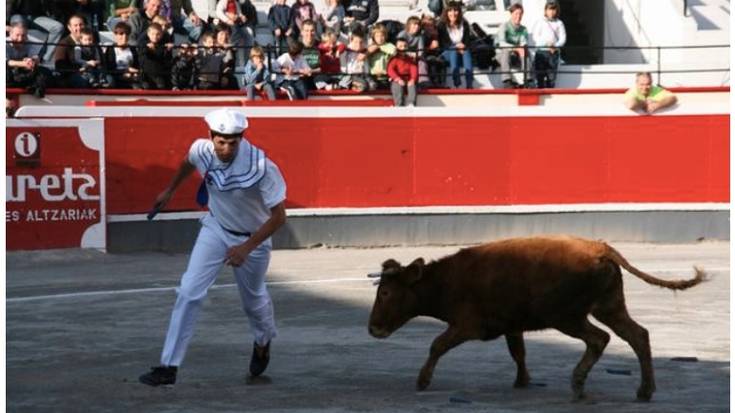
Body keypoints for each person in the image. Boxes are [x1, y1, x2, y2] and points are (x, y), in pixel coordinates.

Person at [139, 108, 287, 386]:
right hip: (216, 228)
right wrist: (170, 190)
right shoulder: (202, 149)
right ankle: (168, 366)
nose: (226, 148)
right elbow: (187, 162)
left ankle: (263, 339)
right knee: (189, 292)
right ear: (211, 136)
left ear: (241, 138)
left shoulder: (262, 167)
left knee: (253, 301)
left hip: (253, 238)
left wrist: (246, 247)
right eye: (221, 141)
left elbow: (279, 217)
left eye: (233, 142)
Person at [7, 1, 65, 65]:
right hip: (18, 15)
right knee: (20, 24)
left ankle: (43, 59)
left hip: (37, 17)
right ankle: (17, 59)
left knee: (58, 27)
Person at [6, 22, 51, 98]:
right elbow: (6, 62)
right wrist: (23, 63)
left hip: (25, 70)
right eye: (17, 35)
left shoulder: (32, 43)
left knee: (46, 72)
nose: (20, 39)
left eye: (23, 36)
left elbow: (35, 57)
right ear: (10, 34)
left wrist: (32, 60)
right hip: (10, 71)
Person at [437, 1, 473, 89]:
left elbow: (467, 41)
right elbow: (443, 44)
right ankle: (457, 82)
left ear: (459, 12)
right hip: (447, 53)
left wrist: (463, 46)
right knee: (453, 51)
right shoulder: (441, 25)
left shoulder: (464, 24)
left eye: (455, 10)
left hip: (461, 51)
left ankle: (469, 84)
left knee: (466, 52)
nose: (453, 13)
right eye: (450, 11)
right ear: (446, 12)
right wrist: (455, 46)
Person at [530, 0, 565, 88]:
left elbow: (562, 39)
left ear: (557, 11)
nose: (552, 12)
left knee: (551, 79)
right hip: (541, 53)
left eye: (554, 9)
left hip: (553, 54)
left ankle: (550, 99)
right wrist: (547, 44)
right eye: (549, 9)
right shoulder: (540, 22)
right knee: (539, 78)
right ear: (545, 10)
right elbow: (535, 37)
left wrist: (555, 45)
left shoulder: (559, 23)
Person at [496, 2, 529, 88]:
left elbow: (523, 41)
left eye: (520, 14)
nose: (518, 16)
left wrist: (522, 47)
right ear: (511, 14)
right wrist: (516, 48)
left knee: (526, 50)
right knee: (506, 50)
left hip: (515, 56)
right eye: (516, 13)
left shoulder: (523, 29)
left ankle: (528, 79)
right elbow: (501, 43)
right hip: (501, 55)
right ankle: (507, 80)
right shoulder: (504, 26)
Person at [54, 14, 91, 88]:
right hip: (72, 76)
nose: (79, 28)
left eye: (81, 25)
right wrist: (78, 70)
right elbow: (59, 66)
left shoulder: (91, 40)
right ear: (69, 28)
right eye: (75, 25)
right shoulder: (64, 43)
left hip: (91, 72)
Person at [104, 21, 141, 88]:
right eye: (121, 34)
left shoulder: (133, 49)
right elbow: (109, 68)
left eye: (126, 34)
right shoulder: (110, 49)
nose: (124, 36)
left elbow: (137, 65)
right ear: (115, 35)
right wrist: (125, 71)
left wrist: (135, 72)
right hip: (116, 76)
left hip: (132, 77)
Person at [139, 22, 173, 89]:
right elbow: (142, 55)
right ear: (148, 34)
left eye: (158, 34)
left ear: (161, 34)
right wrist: (146, 48)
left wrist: (168, 51)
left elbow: (167, 61)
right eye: (152, 34)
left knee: (161, 86)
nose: (155, 36)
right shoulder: (142, 44)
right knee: (146, 86)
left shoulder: (164, 45)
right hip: (145, 74)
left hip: (159, 74)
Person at [387, 36, 418, 106]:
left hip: (408, 79)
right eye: (400, 46)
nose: (403, 48)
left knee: (412, 86)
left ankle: (411, 103)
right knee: (397, 87)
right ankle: (399, 105)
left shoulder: (410, 59)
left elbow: (413, 68)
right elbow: (390, 70)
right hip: (397, 79)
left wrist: (413, 79)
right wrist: (397, 79)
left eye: (405, 46)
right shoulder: (394, 59)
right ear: (396, 48)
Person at [366, 23, 396, 89]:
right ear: (373, 37)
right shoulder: (371, 46)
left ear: (385, 36)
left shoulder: (388, 45)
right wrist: (369, 52)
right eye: (377, 36)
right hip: (373, 76)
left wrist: (380, 48)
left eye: (382, 35)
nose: (380, 38)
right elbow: (365, 55)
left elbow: (394, 51)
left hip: (386, 76)